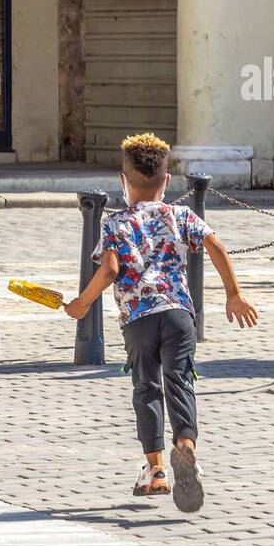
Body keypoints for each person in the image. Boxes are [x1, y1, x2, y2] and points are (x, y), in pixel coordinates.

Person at [62, 132, 258, 513]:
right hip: (179, 315)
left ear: (123, 182)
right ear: (167, 182)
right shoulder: (179, 214)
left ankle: (156, 470)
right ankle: (185, 445)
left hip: (138, 319)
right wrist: (233, 293)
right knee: (180, 380)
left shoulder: (115, 222)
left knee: (147, 388)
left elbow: (110, 270)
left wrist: (82, 304)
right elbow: (216, 246)